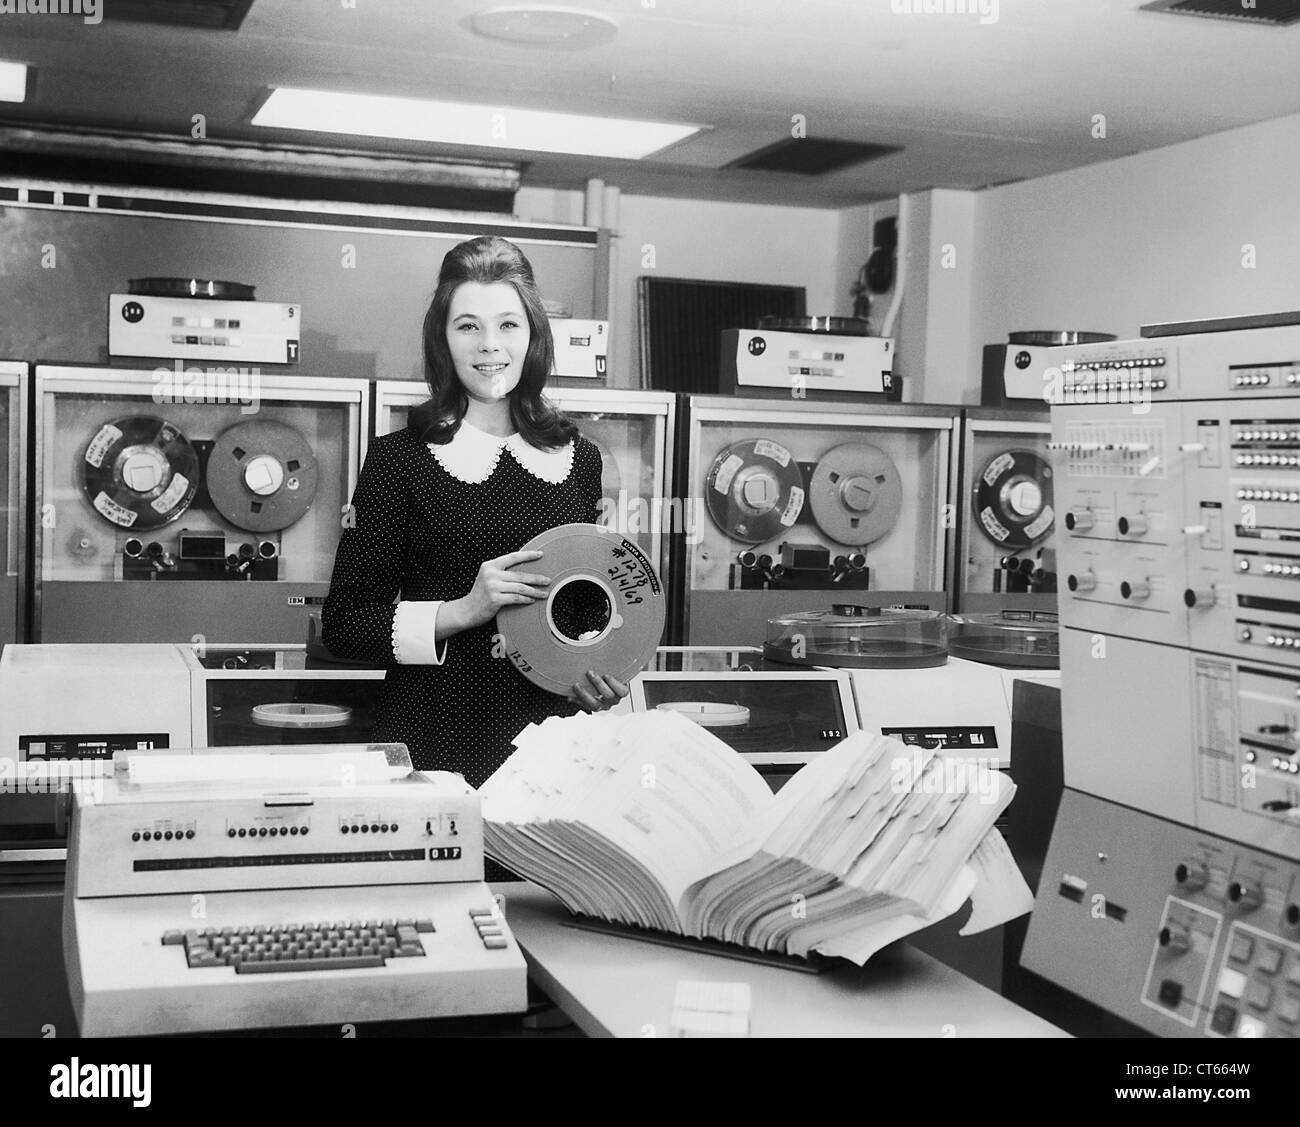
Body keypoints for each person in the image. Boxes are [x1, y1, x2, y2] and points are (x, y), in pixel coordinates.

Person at [321, 235, 629, 800]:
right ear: (442, 337)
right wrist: (464, 610)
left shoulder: (579, 459)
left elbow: (585, 609)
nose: (491, 346)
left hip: (550, 752)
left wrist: (596, 677)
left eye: (508, 324)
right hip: (432, 744)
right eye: (468, 326)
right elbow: (345, 624)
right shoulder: (398, 460)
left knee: (541, 892)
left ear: (534, 334)